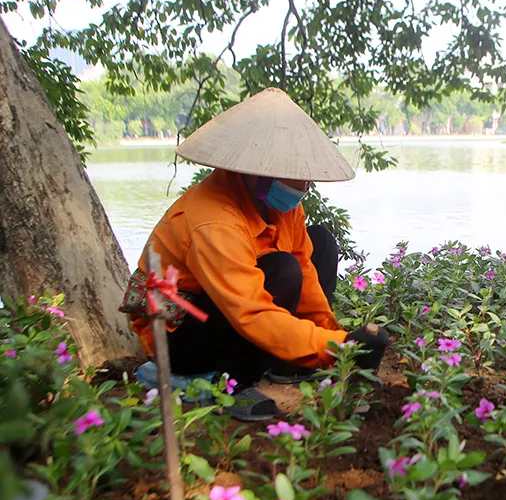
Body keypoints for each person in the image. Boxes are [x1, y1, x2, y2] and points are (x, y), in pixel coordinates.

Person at [120, 88, 389, 421]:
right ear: (256, 171)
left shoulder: (283, 207)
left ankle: (287, 363)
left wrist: (337, 340)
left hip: (220, 307)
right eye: (294, 173)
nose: (303, 186)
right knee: (282, 270)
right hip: (176, 329)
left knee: (319, 242)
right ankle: (234, 383)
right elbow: (251, 311)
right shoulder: (212, 221)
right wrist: (336, 348)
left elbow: (306, 273)